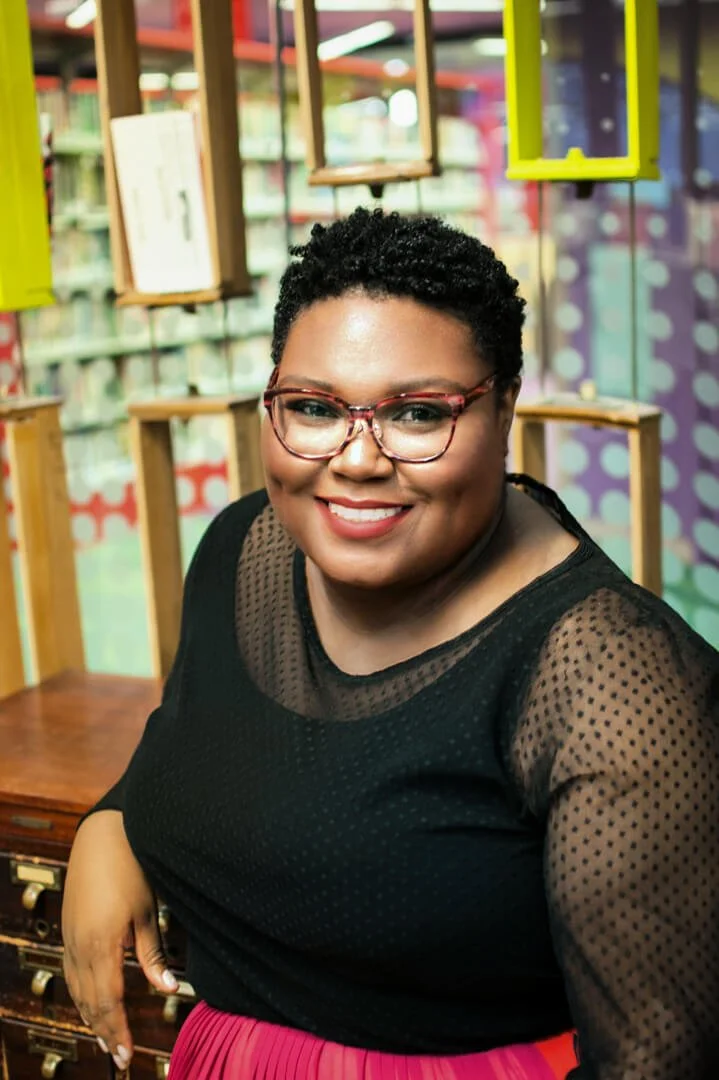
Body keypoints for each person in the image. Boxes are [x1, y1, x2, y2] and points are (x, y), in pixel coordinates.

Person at [62, 207, 719, 1080]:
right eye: (311, 407)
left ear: (505, 409)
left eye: (416, 413)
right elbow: (191, 737)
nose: (357, 458)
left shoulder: (616, 681)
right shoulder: (245, 547)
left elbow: (656, 1061)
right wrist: (109, 825)